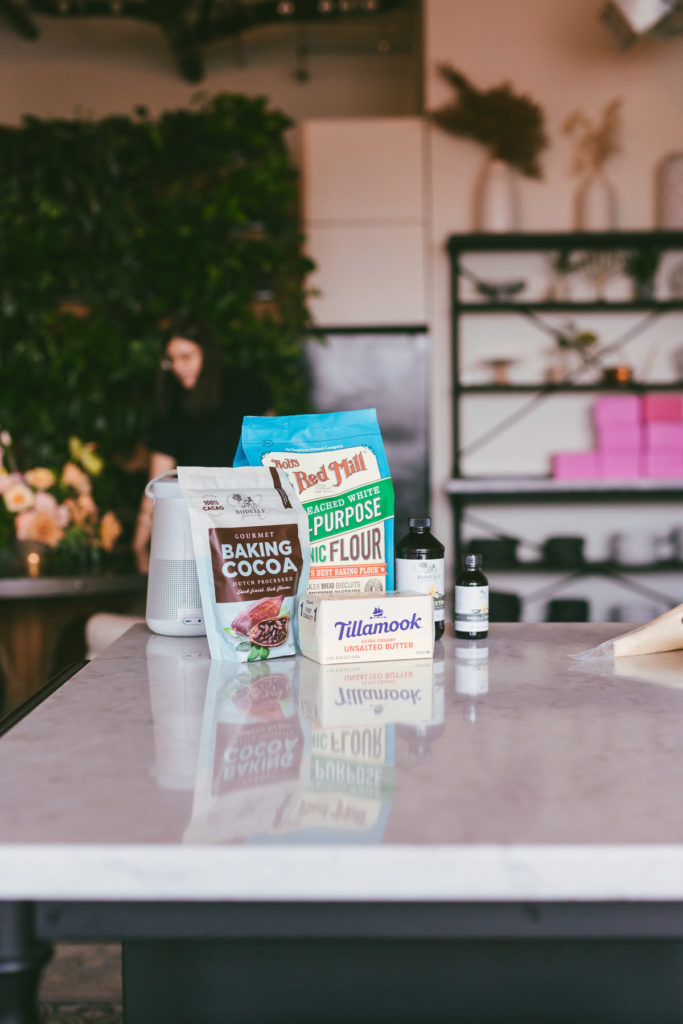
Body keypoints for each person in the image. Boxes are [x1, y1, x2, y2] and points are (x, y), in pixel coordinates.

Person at [133, 314, 273, 572]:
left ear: (208, 353)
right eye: (171, 360)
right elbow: (159, 477)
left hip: (250, 521)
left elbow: (270, 452)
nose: (177, 367)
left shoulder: (247, 387)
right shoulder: (173, 402)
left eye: (186, 357)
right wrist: (140, 543)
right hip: (195, 528)